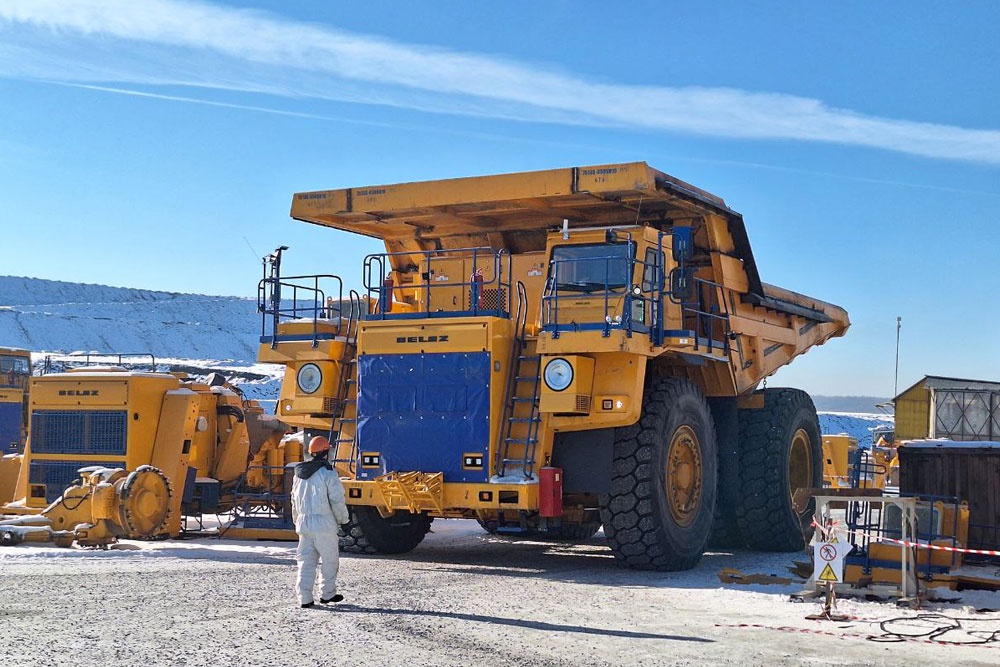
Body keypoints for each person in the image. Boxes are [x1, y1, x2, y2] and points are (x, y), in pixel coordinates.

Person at [291, 435, 351, 608]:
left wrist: (297, 521)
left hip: (304, 524)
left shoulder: (298, 474)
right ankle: (327, 594)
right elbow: (336, 500)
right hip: (324, 524)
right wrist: (344, 520)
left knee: (306, 562)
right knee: (330, 560)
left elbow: (294, 501)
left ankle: (305, 598)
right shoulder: (328, 473)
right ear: (326, 452)